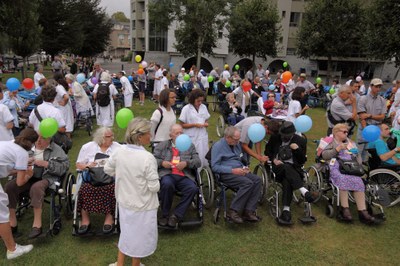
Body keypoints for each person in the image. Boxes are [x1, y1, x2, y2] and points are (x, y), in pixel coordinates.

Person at [104, 118, 160, 266]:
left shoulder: (119, 151)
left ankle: (120, 264)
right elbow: (154, 187)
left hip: (124, 201)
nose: (151, 136)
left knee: (127, 233)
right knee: (139, 238)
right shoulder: (148, 158)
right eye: (149, 133)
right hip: (143, 205)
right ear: (140, 136)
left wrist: (123, 176)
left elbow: (107, 169)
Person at [5, 134, 69, 238]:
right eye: (36, 138)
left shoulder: (57, 150)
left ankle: (37, 225)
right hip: (26, 177)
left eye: (42, 138)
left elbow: (64, 168)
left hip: (47, 178)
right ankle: (12, 223)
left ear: (49, 139)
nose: (38, 141)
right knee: (9, 187)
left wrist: (46, 164)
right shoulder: (27, 149)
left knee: (36, 187)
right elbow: (14, 165)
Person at [321, 123, 382, 225]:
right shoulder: (330, 142)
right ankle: (345, 210)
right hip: (335, 167)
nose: (346, 134)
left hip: (350, 167)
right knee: (342, 179)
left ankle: (363, 212)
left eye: (347, 132)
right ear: (336, 132)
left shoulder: (350, 143)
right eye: (344, 132)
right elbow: (324, 155)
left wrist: (356, 153)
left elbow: (358, 160)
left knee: (358, 181)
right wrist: (338, 149)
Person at [264, 121, 315, 225]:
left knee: (287, 179)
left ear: (293, 133)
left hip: (293, 169)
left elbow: (301, 161)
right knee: (285, 167)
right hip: (277, 168)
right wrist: (273, 160)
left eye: (286, 136)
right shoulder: (275, 138)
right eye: (282, 135)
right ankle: (303, 190)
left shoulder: (300, 141)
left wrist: (297, 150)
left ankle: (286, 211)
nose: (284, 137)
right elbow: (267, 151)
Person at [211, 126, 262, 224]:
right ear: (227, 137)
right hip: (226, 173)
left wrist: (244, 167)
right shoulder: (218, 146)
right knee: (247, 183)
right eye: (235, 139)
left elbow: (240, 158)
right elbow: (215, 167)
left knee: (257, 180)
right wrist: (232, 170)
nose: (238, 142)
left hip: (239, 170)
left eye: (238, 139)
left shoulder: (236, 144)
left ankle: (248, 211)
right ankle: (233, 211)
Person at [154, 124, 201, 227]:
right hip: (168, 174)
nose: (180, 135)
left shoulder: (189, 146)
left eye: (181, 133)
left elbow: (198, 162)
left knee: (192, 188)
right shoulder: (162, 145)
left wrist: (186, 163)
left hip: (185, 175)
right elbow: (152, 159)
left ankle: (176, 215)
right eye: (177, 133)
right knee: (167, 184)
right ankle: (165, 214)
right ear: (171, 135)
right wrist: (162, 163)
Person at [75, 127, 120, 234]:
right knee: (85, 189)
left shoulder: (118, 147)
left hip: (110, 178)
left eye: (112, 136)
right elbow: (78, 165)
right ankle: (85, 220)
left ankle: (109, 218)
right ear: (101, 138)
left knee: (112, 189)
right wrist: (87, 165)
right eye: (109, 137)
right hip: (92, 178)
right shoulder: (87, 147)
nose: (112, 138)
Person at [0, 128, 37, 259]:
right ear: (32, 144)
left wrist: (19, 168)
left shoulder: (8, 143)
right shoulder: (22, 153)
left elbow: (3, 167)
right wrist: (28, 174)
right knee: (2, 215)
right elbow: (20, 183)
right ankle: (12, 249)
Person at [357, 78, 387, 161]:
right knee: (359, 151)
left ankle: (372, 172)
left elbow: (382, 117)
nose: (378, 89)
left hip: (377, 129)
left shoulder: (382, 100)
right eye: (376, 86)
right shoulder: (363, 99)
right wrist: (366, 130)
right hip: (364, 128)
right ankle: (359, 171)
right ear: (371, 86)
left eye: (379, 87)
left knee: (375, 152)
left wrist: (369, 115)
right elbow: (362, 117)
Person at [179, 89, 210, 166]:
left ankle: (203, 169)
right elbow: (182, 125)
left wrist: (206, 124)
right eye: (198, 101)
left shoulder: (203, 107)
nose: (200, 103)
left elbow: (206, 120)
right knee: (193, 154)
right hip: (191, 136)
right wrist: (194, 125)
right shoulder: (186, 109)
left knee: (203, 153)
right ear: (193, 99)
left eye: (201, 101)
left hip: (202, 135)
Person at [53, 73, 74, 137]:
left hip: (63, 107)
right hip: (65, 107)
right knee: (67, 122)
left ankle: (67, 140)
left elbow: (66, 97)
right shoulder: (62, 85)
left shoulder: (59, 87)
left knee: (65, 124)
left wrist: (64, 102)